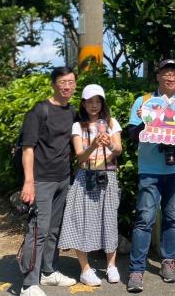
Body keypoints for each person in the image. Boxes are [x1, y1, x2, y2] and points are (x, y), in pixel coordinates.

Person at [126, 59, 175, 293]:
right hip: (149, 170)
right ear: (158, 77)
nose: (171, 77)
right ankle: (136, 270)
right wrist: (146, 121)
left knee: (172, 218)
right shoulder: (143, 101)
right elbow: (132, 135)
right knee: (144, 219)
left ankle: (168, 262)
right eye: (166, 73)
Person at [18, 67, 78, 296]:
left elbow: (92, 124)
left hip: (63, 178)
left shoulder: (72, 111)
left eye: (71, 82)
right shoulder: (39, 111)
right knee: (38, 230)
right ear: (53, 84)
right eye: (62, 82)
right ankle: (28, 284)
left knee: (54, 229)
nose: (67, 86)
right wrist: (29, 182)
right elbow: (28, 148)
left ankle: (48, 271)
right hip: (41, 180)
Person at [58, 84, 123, 286]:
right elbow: (80, 157)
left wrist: (109, 144)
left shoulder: (111, 122)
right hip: (85, 176)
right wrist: (94, 144)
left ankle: (111, 266)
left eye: (98, 101)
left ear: (102, 103)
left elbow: (118, 150)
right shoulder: (78, 126)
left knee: (109, 220)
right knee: (81, 220)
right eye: (90, 102)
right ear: (83, 104)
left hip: (107, 175)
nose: (94, 105)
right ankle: (85, 269)